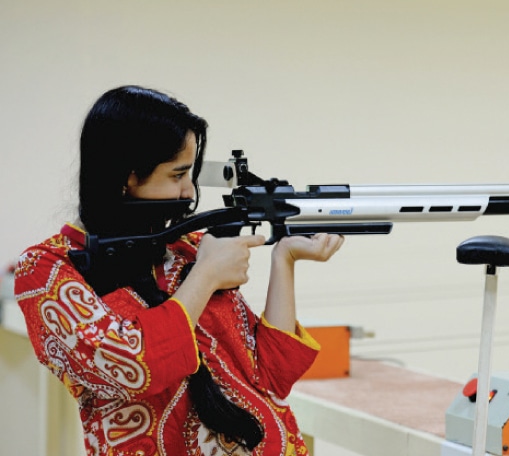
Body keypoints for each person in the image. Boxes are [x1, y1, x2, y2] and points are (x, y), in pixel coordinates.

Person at [14, 85, 344, 456]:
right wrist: (206, 277)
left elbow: (270, 374)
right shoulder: (46, 269)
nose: (189, 193)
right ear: (128, 177)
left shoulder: (186, 248)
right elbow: (131, 367)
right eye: (177, 175)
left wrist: (285, 259)